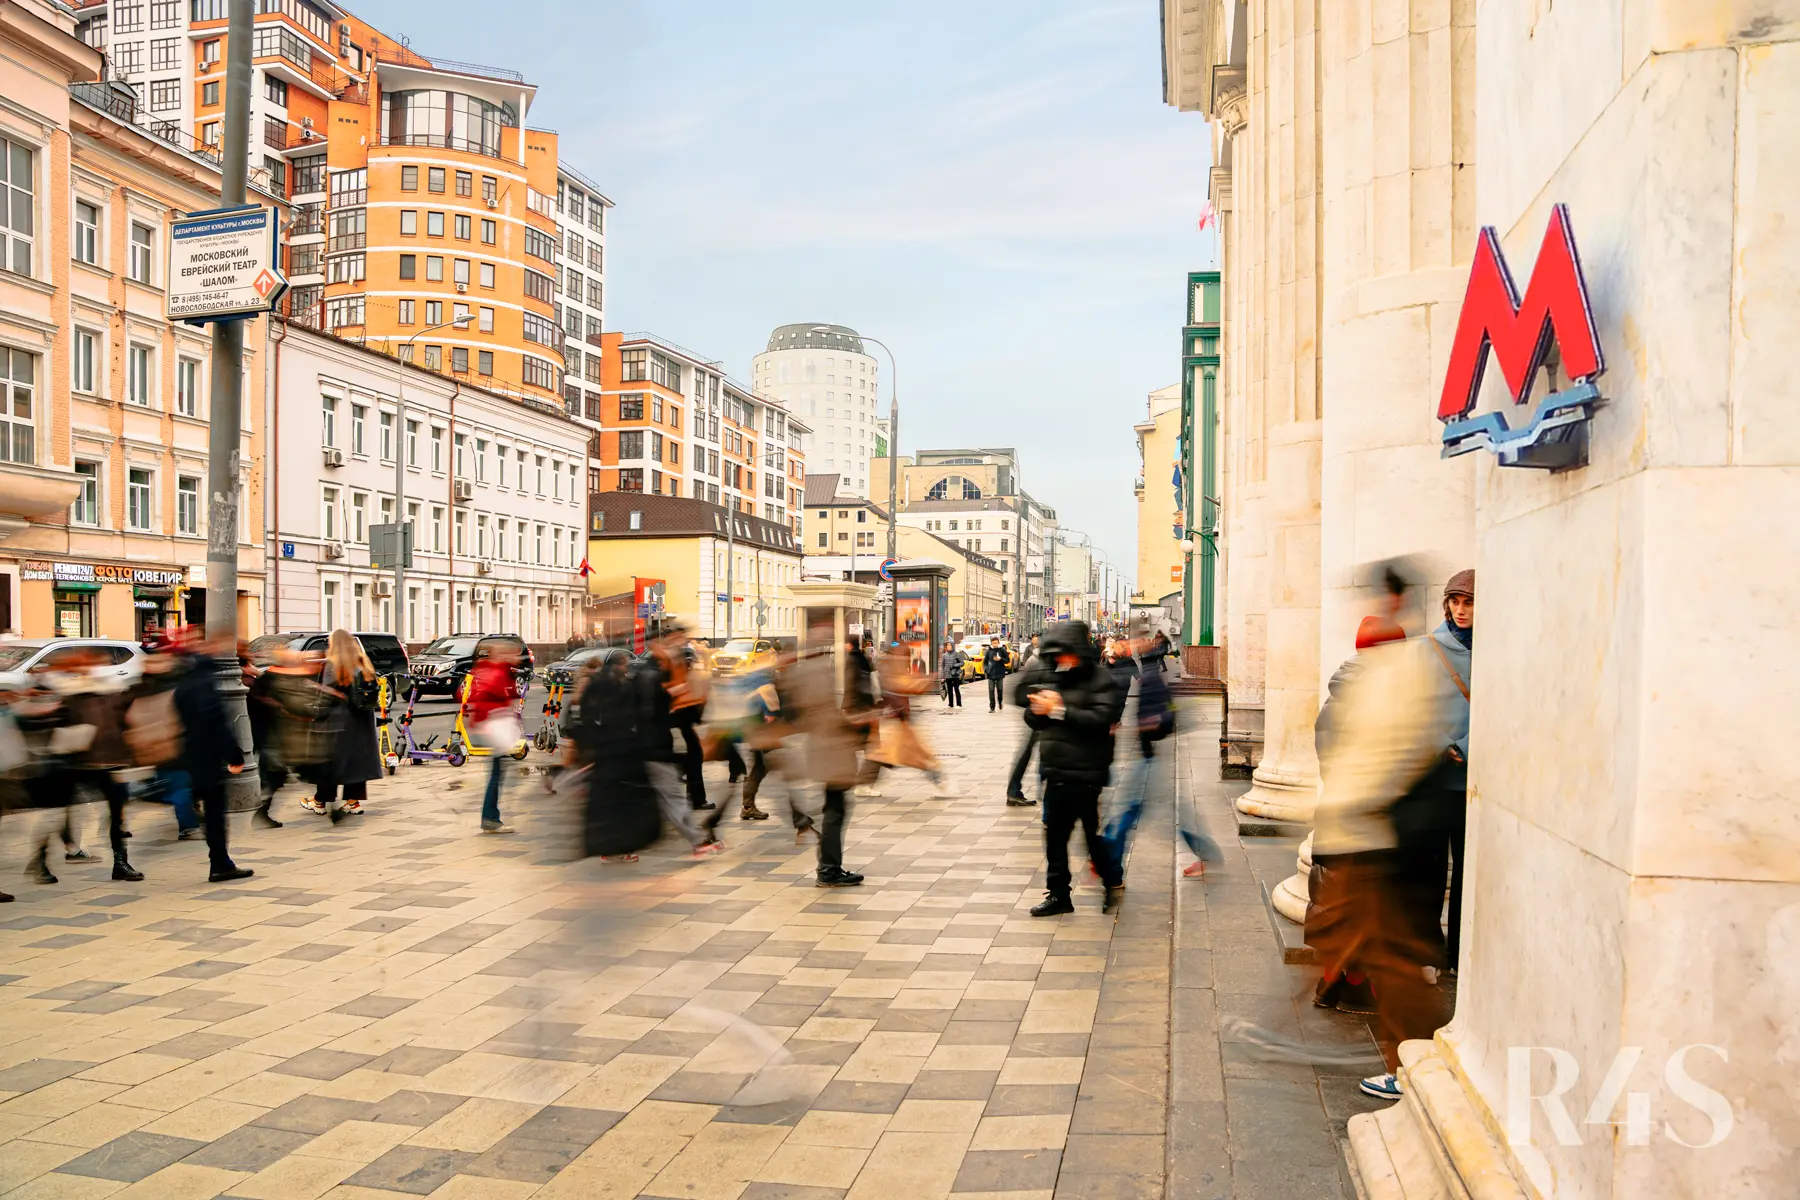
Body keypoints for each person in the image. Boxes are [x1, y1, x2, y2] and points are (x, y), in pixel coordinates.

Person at [1305, 567, 1461, 1103]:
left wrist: (1342, 822)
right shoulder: (1412, 674)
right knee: (1387, 948)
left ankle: (1418, 1063)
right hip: (1389, 833)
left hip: (1369, 838)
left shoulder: (1374, 686)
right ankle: (1417, 1056)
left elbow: (1360, 766)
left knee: (1389, 956)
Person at [1015, 620, 1125, 916]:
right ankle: (1059, 895)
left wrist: (1060, 709)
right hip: (1057, 770)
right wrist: (1037, 710)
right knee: (1055, 837)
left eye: (1066, 653)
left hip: (1087, 772)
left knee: (1090, 837)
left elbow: (1100, 720)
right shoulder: (1055, 675)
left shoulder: (1100, 678)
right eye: (1057, 654)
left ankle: (1111, 880)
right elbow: (1035, 718)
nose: (1062, 659)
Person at [791, 627, 876, 887]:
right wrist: (854, 722)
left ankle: (829, 867)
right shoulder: (816, 673)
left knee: (834, 808)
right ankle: (828, 870)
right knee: (835, 810)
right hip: (830, 751)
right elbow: (823, 716)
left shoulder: (807, 670)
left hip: (824, 749)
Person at [173, 639, 253, 882]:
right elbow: (214, 724)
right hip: (206, 757)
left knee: (207, 809)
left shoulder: (184, 682)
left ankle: (219, 860)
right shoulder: (204, 684)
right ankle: (220, 863)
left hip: (189, 754)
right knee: (215, 812)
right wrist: (234, 754)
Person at [575, 649, 661, 861]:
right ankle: (620, 848)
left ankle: (608, 848)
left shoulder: (600, 684)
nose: (626, 668)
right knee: (622, 803)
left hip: (605, 752)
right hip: (619, 752)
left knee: (607, 802)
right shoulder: (618, 685)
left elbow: (586, 714)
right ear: (618, 666)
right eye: (624, 664)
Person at [306, 630, 382, 825]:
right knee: (355, 761)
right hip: (361, 721)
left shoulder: (333, 664)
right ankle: (353, 802)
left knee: (330, 761)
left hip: (338, 720)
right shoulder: (363, 663)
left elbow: (327, 695)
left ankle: (320, 801)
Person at [859, 643, 950, 799]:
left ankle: (864, 785)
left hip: (896, 719)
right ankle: (941, 783)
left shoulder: (888, 665)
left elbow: (905, 684)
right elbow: (904, 684)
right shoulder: (893, 665)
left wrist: (922, 681)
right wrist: (925, 680)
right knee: (903, 754)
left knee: (885, 754)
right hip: (894, 720)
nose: (907, 658)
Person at [650, 623, 712, 811]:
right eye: (679, 636)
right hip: (674, 714)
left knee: (691, 755)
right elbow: (659, 686)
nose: (683, 640)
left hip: (682, 713)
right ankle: (691, 798)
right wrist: (677, 689)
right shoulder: (662, 656)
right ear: (670, 637)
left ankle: (694, 798)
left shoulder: (675, 655)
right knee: (685, 757)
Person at [466, 638, 523, 834]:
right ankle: (490, 818)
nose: (516, 658)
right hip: (494, 726)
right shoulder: (496, 673)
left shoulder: (489, 670)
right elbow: (487, 696)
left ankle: (490, 817)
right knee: (496, 774)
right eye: (512, 654)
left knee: (497, 772)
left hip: (490, 725)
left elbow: (469, 694)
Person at [982, 636, 1010, 712]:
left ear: (998, 643)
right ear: (991, 643)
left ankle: (1000, 702)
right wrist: (986, 670)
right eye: (993, 643)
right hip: (991, 674)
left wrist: (1000, 659)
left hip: (1000, 673)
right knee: (991, 690)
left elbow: (1007, 660)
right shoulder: (989, 651)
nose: (995, 644)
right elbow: (985, 662)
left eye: (996, 643)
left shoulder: (1002, 650)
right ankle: (992, 707)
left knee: (1000, 689)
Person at [940, 640, 964, 708]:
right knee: (949, 690)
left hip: (955, 675)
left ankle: (959, 704)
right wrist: (942, 677)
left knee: (956, 689)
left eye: (950, 645)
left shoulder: (957, 654)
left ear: (953, 646)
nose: (949, 646)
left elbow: (962, 663)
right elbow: (943, 666)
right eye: (947, 645)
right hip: (947, 675)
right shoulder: (944, 655)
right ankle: (950, 704)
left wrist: (954, 665)